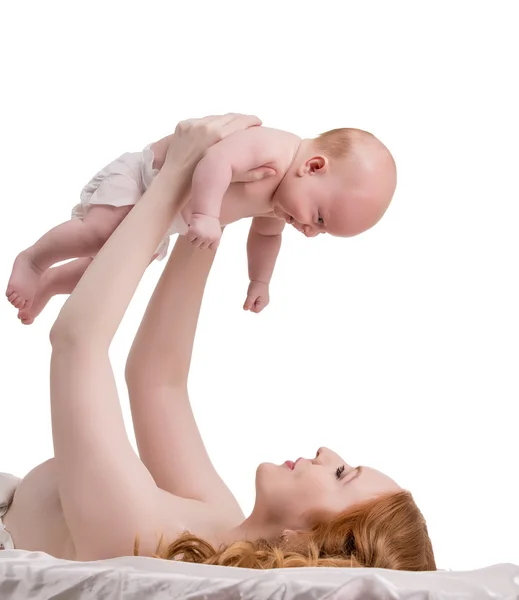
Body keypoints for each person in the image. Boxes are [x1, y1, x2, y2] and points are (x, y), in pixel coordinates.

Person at [0, 114, 435, 569]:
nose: (330, 453)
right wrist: (217, 210)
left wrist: (175, 176)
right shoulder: (217, 521)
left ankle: (35, 262)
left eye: (343, 474)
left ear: (313, 539)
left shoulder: (145, 539)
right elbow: (156, 380)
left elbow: (77, 342)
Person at [6, 121, 396, 324]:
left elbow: (265, 238)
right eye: (320, 218)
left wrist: (259, 280)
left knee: (113, 272)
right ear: (313, 167)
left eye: (321, 231)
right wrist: (208, 214)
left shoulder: (279, 207)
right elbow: (215, 162)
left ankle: (53, 284)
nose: (309, 231)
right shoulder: (275, 149)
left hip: (162, 220)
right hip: (146, 180)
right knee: (99, 234)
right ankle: (34, 260)